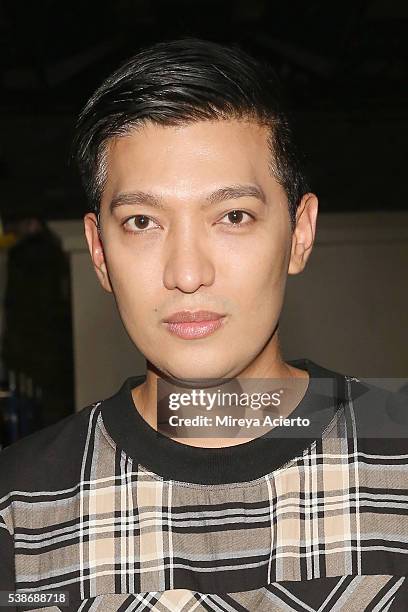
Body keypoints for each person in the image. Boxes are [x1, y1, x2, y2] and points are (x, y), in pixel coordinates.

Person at [1, 37, 408, 611]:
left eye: (233, 217)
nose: (187, 273)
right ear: (98, 251)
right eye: (143, 221)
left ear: (300, 233)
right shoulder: (20, 507)